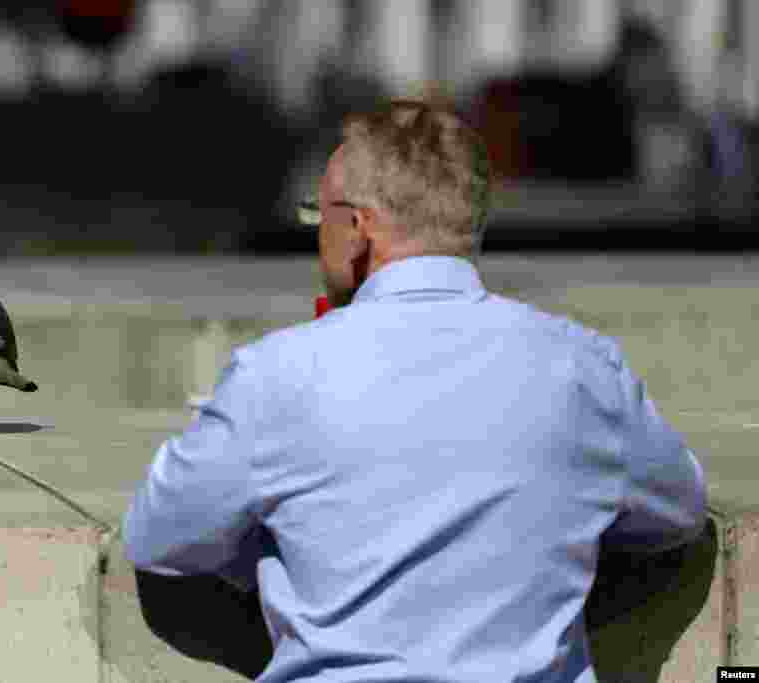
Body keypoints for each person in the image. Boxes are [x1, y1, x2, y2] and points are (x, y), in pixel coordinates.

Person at [124, 99, 707, 682]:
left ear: (356, 230)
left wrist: (268, 547)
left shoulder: (276, 375)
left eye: (316, 214)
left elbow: (157, 535)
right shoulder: (584, 370)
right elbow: (680, 510)